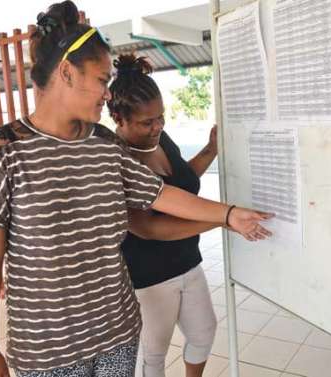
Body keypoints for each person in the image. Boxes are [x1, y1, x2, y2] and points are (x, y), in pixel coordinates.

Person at [0, 2, 272, 377]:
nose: (108, 94)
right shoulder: (2, 151)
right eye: (101, 80)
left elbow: (159, 194)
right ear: (66, 73)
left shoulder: (105, 145)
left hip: (118, 333)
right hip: (50, 354)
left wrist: (228, 214)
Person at [107, 54, 223, 377]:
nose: (158, 126)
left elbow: (183, 183)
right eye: (147, 122)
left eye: (161, 117)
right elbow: (150, 228)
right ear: (119, 118)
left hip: (188, 259)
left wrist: (210, 149)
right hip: (149, 275)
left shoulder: (160, 138)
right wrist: (221, 218)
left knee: (203, 333)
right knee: (154, 355)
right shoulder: (116, 159)